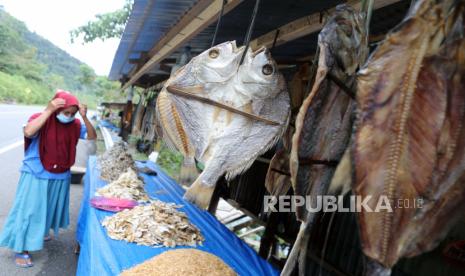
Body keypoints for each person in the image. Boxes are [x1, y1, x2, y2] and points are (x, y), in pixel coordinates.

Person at [0, 90, 97, 267]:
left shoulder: (75, 124)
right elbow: (29, 132)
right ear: (55, 107)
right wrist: (48, 110)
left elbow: (92, 136)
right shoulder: (41, 117)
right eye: (65, 112)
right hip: (36, 171)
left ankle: (40, 233)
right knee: (30, 211)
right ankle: (22, 248)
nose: (68, 116)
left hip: (60, 173)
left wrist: (84, 117)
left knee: (49, 209)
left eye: (72, 114)